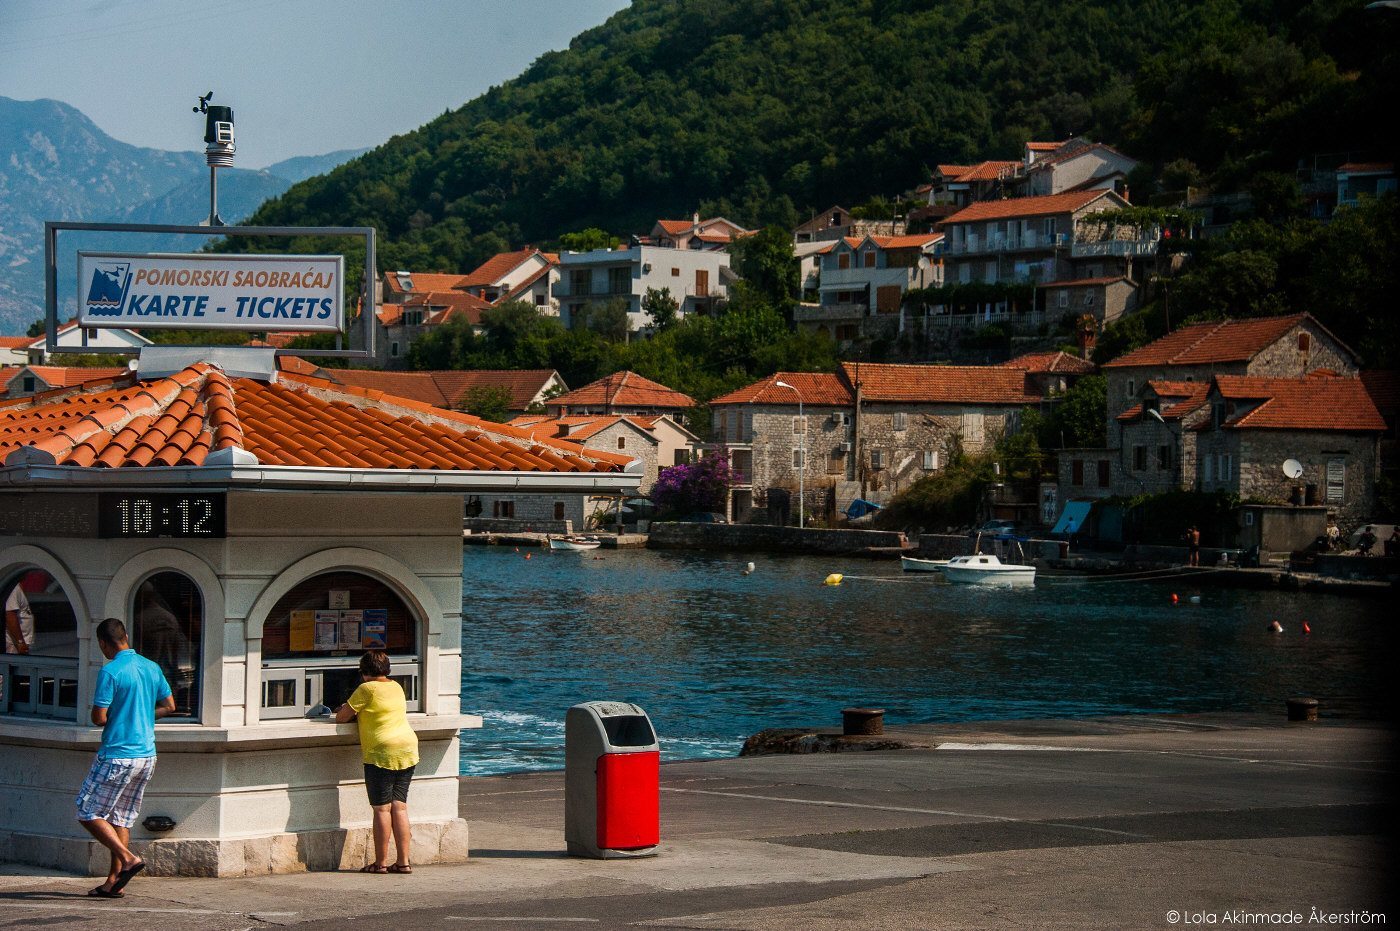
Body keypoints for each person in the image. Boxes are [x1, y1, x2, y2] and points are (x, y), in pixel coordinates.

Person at [77, 617, 175, 899]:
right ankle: (113, 882)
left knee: (86, 810)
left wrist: (119, 714)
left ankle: (127, 858)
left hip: (117, 754)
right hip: (146, 755)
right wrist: (143, 714)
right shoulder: (151, 667)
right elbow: (169, 705)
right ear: (126, 637)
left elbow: (99, 717)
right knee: (121, 818)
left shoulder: (111, 672)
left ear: (104, 643)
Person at [336, 650, 419, 874]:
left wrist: (347, 709)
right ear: (387, 669)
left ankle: (380, 863)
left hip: (382, 752)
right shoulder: (397, 686)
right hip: (407, 747)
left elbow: (341, 717)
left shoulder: (366, 688)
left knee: (382, 810)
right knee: (399, 807)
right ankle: (403, 862)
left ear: (363, 672)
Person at [4, 583, 32, 656]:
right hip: (14, 644)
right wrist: (20, 642)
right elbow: (10, 615)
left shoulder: (17, 586)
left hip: (22, 642)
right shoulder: (13, 588)